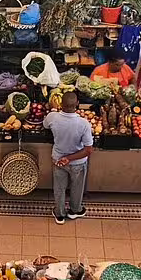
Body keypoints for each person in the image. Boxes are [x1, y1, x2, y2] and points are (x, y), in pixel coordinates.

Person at [42, 92, 93, 224]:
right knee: (77, 187)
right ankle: (75, 211)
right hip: (78, 163)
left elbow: (45, 125)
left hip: (58, 160)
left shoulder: (52, 117)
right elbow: (88, 150)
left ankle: (59, 214)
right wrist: (70, 159)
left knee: (59, 187)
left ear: (60, 104)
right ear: (77, 104)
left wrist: (65, 159)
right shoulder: (84, 124)